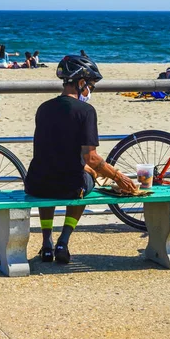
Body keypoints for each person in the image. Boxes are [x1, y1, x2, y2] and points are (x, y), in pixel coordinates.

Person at [24, 55, 137, 264]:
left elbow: (47, 153)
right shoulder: (86, 111)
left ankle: (47, 244)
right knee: (84, 181)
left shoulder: (43, 108)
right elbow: (91, 158)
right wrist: (118, 176)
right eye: (91, 87)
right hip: (69, 186)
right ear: (81, 83)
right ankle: (63, 241)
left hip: (35, 184)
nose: (90, 91)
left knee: (50, 177)